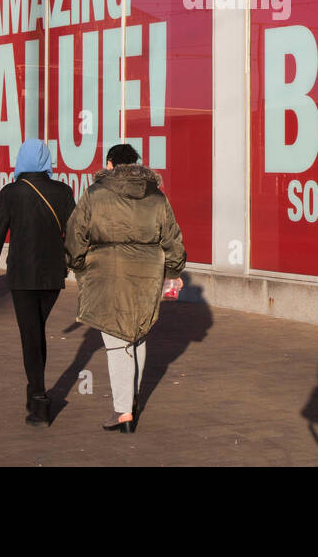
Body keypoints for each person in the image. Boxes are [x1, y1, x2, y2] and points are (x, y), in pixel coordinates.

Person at [64, 143, 185, 433]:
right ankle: (130, 401)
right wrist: (173, 270)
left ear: (109, 164)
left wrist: (79, 265)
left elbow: (75, 234)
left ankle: (123, 411)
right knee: (138, 335)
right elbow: (172, 237)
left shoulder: (95, 194)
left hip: (107, 270)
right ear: (137, 164)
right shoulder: (155, 196)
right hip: (148, 273)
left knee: (116, 339)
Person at [0, 139, 76, 427]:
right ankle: (36, 394)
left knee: (31, 334)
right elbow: (75, 231)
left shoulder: (10, 192)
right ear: (47, 160)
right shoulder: (63, 191)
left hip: (22, 274)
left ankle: (38, 399)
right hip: (52, 275)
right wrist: (74, 262)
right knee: (36, 331)